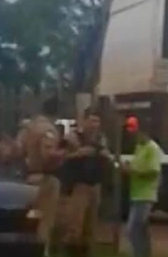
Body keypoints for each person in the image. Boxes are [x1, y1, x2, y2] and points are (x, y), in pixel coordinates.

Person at [15, 97, 66, 257]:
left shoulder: (29, 127)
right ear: (56, 113)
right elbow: (47, 154)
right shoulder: (48, 130)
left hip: (25, 179)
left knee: (28, 222)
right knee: (44, 224)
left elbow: (17, 150)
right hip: (44, 180)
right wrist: (66, 153)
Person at [61, 108, 111, 257]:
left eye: (97, 121)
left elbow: (107, 156)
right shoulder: (72, 137)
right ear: (84, 120)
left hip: (95, 185)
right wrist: (79, 153)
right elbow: (61, 157)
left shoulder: (101, 139)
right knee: (75, 226)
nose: (95, 125)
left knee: (91, 227)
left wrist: (106, 156)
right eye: (92, 120)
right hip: (79, 185)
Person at [121, 116, 162, 257]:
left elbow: (153, 171)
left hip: (145, 195)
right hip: (136, 193)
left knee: (132, 229)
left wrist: (132, 171)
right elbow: (137, 165)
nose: (133, 136)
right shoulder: (139, 147)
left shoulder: (153, 148)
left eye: (136, 132)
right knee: (141, 230)